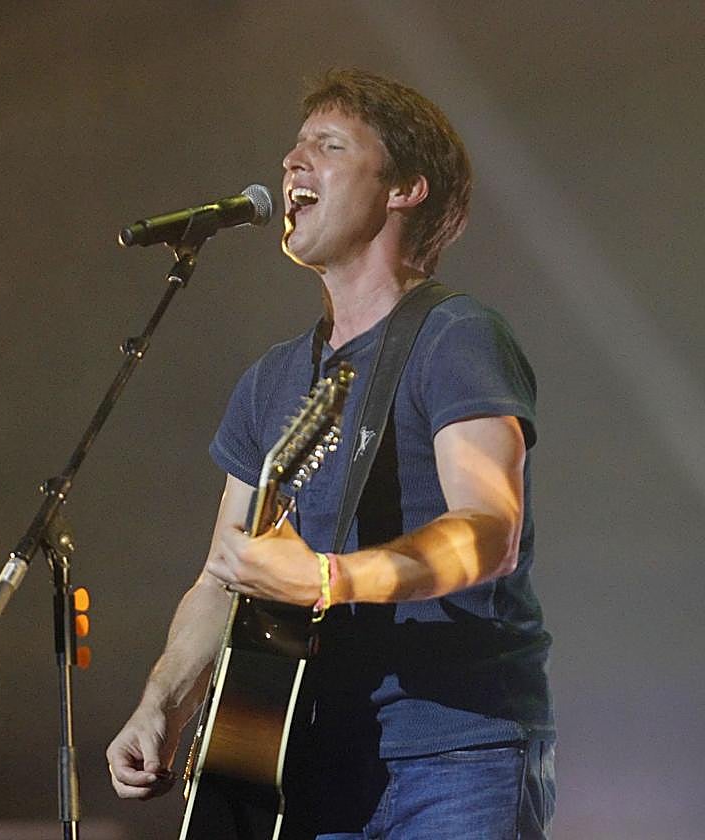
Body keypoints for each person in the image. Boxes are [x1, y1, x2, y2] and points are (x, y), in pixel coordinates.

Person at [106, 69, 555, 838]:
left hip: (454, 750)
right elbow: (225, 574)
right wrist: (162, 707)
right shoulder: (272, 380)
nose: (291, 162)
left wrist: (330, 577)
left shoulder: (458, 337)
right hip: (306, 756)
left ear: (405, 188)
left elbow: (488, 530)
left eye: (329, 144)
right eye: (294, 146)